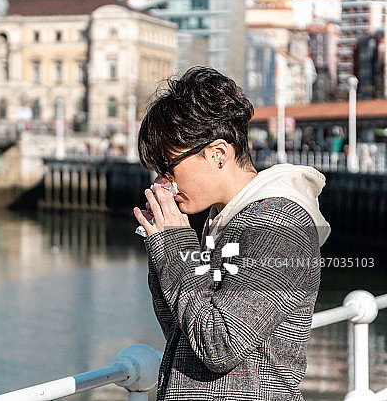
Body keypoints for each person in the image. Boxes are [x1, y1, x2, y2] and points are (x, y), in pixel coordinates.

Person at [132, 66, 330, 401]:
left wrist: (175, 246)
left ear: (218, 154)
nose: (163, 182)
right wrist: (160, 243)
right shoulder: (225, 220)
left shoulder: (279, 224)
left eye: (169, 167)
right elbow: (182, 333)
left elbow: (219, 345)